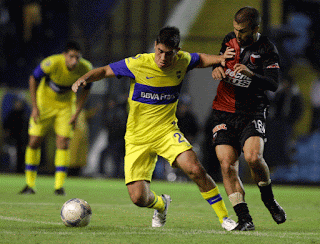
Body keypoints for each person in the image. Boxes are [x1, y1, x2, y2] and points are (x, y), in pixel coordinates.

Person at [72, 26, 237, 231]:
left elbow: (200, 59)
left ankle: (224, 218)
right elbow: (106, 70)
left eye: (169, 53)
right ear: (155, 47)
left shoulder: (182, 61)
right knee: (139, 198)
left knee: (195, 168)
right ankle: (161, 204)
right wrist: (84, 78)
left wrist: (220, 59)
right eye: (160, 51)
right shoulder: (139, 63)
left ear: (177, 51)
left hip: (166, 132)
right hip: (137, 138)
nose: (163, 58)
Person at [210, 7, 287, 231]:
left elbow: (273, 84)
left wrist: (252, 75)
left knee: (253, 158)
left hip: (252, 111)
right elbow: (220, 61)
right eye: (235, 29)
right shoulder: (228, 40)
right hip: (223, 111)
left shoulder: (267, 48)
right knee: (227, 164)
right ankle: (245, 219)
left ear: (255, 29)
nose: (237, 35)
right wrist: (216, 68)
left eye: (242, 31)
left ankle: (269, 199)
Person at [19, 40, 93, 195]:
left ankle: (59, 187)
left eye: (77, 57)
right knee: (34, 141)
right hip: (44, 104)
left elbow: (86, 90)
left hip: (65, 107)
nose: (74, 61)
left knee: (63, 142)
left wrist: (76, 113)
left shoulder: (85, 68)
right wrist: (34, 107)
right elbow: (33, 78)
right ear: (64, 55)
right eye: (71, 56)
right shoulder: (51, 63)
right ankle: (29, 184)